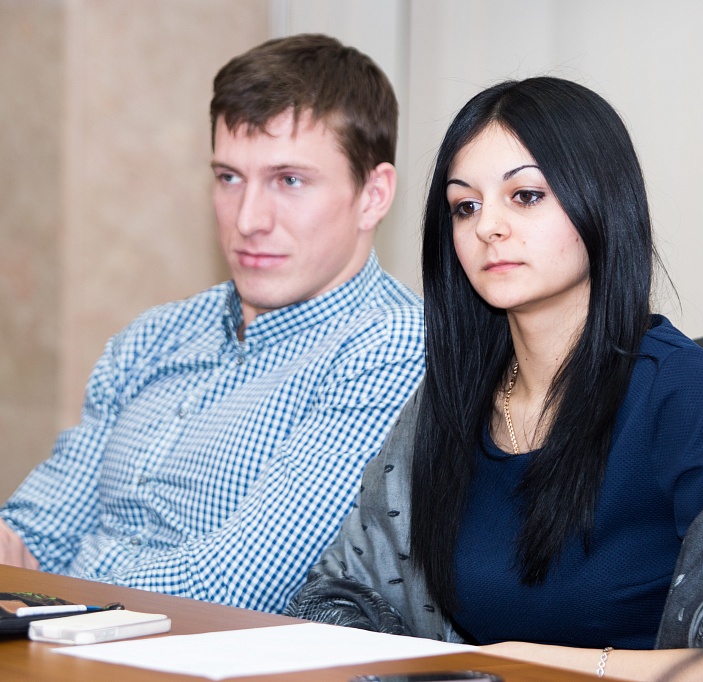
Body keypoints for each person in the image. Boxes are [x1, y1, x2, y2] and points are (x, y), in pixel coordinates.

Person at [286, 77, 703, 681]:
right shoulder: (452, 396)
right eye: (465, 206)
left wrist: (526, 664)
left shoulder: (679, 389)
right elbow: (342, 596)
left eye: (525, 196)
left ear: (598, 202)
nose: (487, 227)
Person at [0, 34, 424, 613]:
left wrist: (61, 596)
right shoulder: (155, 335)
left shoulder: (390, 343)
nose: (248, 219)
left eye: (289, 180)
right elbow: (32, 534)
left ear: (373, 195)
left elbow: (236, 586)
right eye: (228, 177)